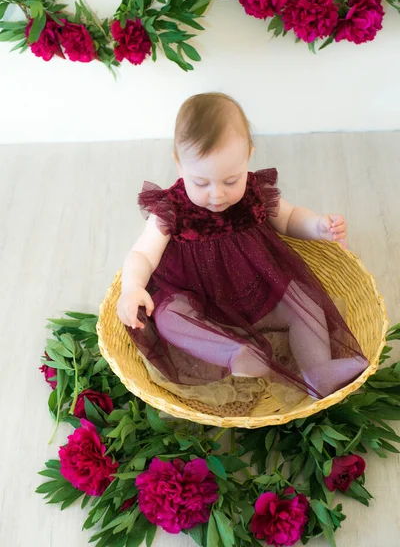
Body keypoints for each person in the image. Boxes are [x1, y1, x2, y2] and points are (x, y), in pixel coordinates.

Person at [117, 92, 368, 404]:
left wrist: (317, 225)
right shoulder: (171, 208)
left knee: (306, 305)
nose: (217, 195)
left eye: (230, 180)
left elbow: (289, 218)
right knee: (169, 320)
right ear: (179, 164)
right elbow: (143, 253)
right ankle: (236, 352)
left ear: (248, 156)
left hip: (258, 291)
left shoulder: (254, 192)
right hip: (196, 298)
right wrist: (132, 287)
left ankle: (318, 369)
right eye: (202, 183)